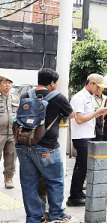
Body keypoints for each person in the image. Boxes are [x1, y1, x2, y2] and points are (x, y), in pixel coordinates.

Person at [16, 68, 76, 222]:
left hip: (24, 145)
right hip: (47, 147)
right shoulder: (58, 97)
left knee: (28, 184)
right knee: (55, 181)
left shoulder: (25, 95)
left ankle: (34, 217)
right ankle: (56, 214)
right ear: (52, 83)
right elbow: (71, 114)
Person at [67, 74, 107, 207]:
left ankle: (77, 193)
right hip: (81, 136)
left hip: (86, 135)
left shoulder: (89, 97)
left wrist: (98, 111)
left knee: (82, 166)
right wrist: (97, 113)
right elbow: (79, 119)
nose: (99, 90)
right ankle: (74, 196)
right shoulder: (79, 97)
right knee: (81, 166)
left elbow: (87, 115)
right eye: (98, 86)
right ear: (90, 83)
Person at [0, 74, 19, 189]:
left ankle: (9, 178)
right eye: (5, 82)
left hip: (12, 133)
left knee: (11, 157)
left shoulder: (15, 98)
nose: (8, 85)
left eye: (10, 82)